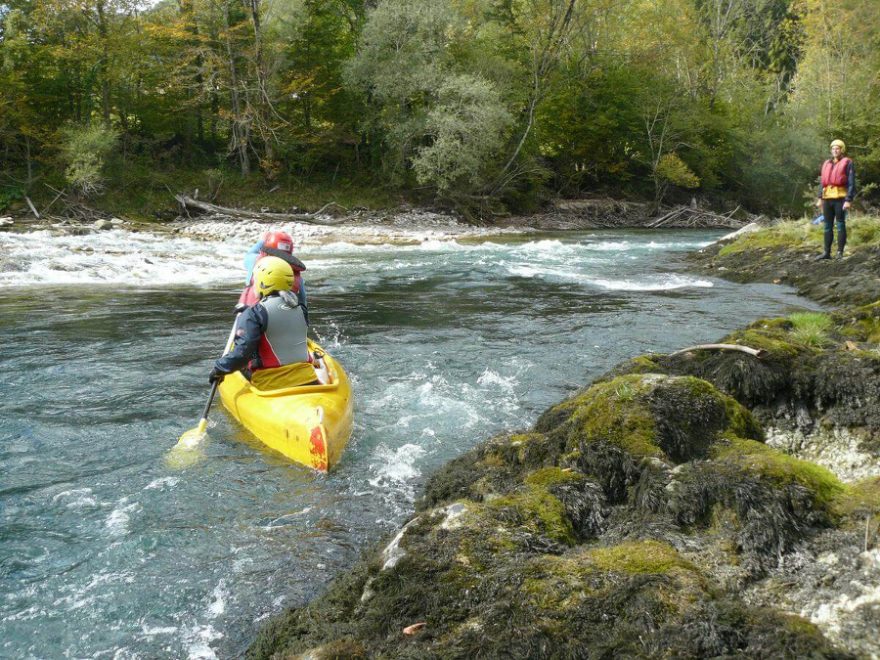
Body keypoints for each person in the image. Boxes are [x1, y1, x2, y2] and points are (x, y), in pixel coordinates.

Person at [210, 256, 318, 389]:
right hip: (308, 379)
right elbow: (280, 323)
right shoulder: (301, 308)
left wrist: (219, 368)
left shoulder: (253, 314)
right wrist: (250, 313)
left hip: (272, 384)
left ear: (262, 282)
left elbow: (243, 354)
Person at [237, 230, 308, 312]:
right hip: (281, 318)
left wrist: (262, 240)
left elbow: (249, 254)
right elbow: (303, 306)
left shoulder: (255, 261)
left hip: (252, 316)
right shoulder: (297, 277)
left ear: (267, 248)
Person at [816, 139, 856, 260]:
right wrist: (820, 198)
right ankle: (827, 253)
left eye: (837, 148)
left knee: (840, 224)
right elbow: (822, 182)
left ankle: (839, 252)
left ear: (841, 150)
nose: (835, 150)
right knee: (827, 225)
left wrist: (848, 200)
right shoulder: (827, 163)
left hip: (840, 198)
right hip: (827, 198)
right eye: (833, 148)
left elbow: (851, 182)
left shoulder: (848, 162)